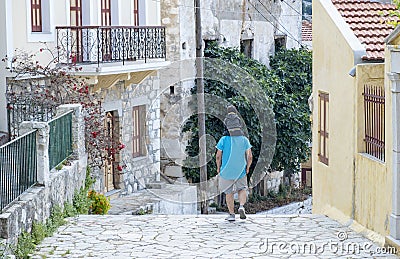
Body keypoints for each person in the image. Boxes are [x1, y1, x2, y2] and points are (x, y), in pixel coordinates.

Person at [216, 109, 253, 221]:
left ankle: (232, 215)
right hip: (240, 170)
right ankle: (241, 206)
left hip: (226, 170)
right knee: (242, 189)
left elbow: (218, 156)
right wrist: (247, 167)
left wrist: (218, 168)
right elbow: (250, 156)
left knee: (228, 192)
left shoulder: (223, 139)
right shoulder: (244, 140)